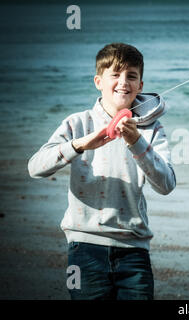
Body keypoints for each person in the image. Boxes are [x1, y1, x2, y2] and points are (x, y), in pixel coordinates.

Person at [28, 43, 176, 300]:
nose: (123, 82)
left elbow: (166, 185)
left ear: (140, 85)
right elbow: (35, 167)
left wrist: (137, 143)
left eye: (131, 76)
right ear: (98, 81)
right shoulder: (77, 122)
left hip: (134, 251)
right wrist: (82, 144)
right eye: (115, 75)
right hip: (84, 248)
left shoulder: (151, 128)